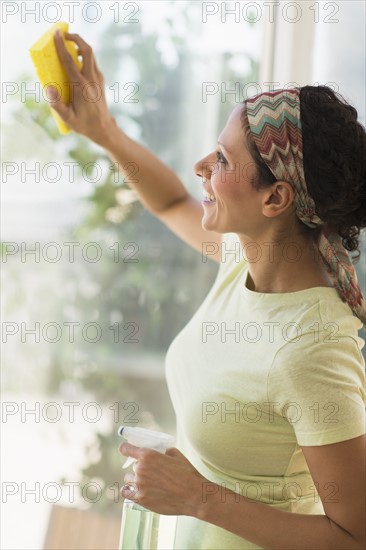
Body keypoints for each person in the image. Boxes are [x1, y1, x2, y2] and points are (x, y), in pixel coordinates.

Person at [48, 29, 366, 549]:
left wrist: (199, 497)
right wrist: (103, 129)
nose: (200, 168)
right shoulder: (245, 258)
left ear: (275, 198)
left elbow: (355, 537)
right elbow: (172, 202)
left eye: (220, 159)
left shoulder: (313, 351)